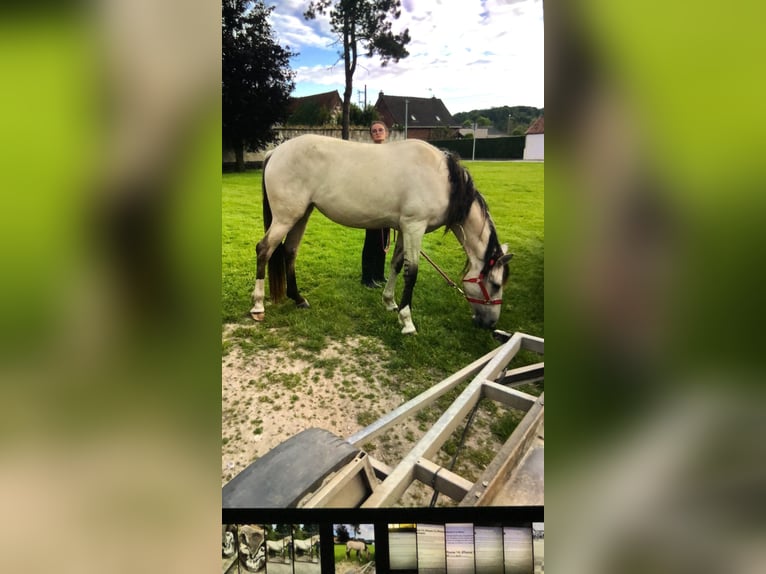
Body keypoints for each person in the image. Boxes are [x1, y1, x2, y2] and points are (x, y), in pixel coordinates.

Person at [361, 121, 391, 288]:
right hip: (373, 203)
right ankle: (366, 277)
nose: (378, 133)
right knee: (371, 240)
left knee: (384, 240)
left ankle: (379, 274)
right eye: (374, 131)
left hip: (387, 202)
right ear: (371, 135)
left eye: (380, 130)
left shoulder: (391, 153)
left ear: (386, 133)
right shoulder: (369, 153)